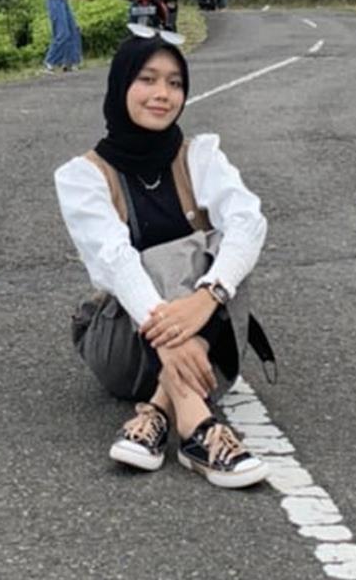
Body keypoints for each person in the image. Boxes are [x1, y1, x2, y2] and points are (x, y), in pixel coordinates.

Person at [54, 32, 271, 488]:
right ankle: (195, 424)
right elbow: (115, 261)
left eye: (174, 83)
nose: (162, 94)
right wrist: (174, 336)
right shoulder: (83, 177)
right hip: (124, 348)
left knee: (232, 244)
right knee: (156, 255)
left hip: (207, 351)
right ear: (120, 87)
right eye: (147, 79)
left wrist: (208, 297)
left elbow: (250, 222)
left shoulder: (200, 156)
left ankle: (156, 412)